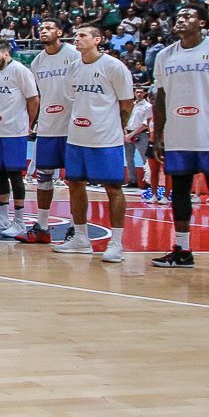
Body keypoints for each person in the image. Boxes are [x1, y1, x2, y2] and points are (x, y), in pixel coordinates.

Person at [149, 2, 209, 276]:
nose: (181, 19)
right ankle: (182, 250)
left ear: (202, 23)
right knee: (178, 193)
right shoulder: (164, 55)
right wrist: (159, 134)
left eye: (188, 16)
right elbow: (161, 97)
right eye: (178, 16)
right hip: (179, 135)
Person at [53, 26, 133, 263]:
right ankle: (80, 238)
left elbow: (126, 103)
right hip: (77, 137)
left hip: (106, 139)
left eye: (83, 36)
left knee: (113, 187)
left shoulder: (113, 66)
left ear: (98, 39)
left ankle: (117, 243)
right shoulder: (74, 68)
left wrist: (116, 128)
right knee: (75, 184)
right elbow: (72, 98)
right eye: (75, 35)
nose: (77, 39)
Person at [23, 19, 82, 242]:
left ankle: (77, 227)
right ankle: (43, 226)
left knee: (76, 179)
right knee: (43, 177)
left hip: (73, 126)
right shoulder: (38, 62)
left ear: (59, 32)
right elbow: (38, 95)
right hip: (48, 126)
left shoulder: (74, 54)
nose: (44, 31)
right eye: (41, 29)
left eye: (49, 28)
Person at [0, 39, 39, 238]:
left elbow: (33, 99)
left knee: (14, 174)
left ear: (6, 53)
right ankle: (2, 218)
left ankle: (19, 221)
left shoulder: (20, 71)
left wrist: (28, 123)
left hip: (15, 131)